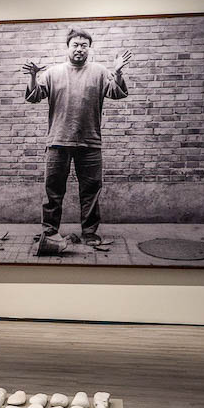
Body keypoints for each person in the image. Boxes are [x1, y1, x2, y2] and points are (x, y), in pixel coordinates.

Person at [23, 28, 131, 247]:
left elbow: (117, 93)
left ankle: (90, 233)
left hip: (90, 142)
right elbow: (34, 96)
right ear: (68, 47)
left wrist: (118, 73)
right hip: (57, 141)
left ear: (89, 48)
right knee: (53, 191)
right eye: (76, 45)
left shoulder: (100, 72)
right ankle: (50, 231)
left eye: (84, 45)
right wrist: (33, 76)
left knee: (90, 191)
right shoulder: (53, 73)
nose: (80, 49)